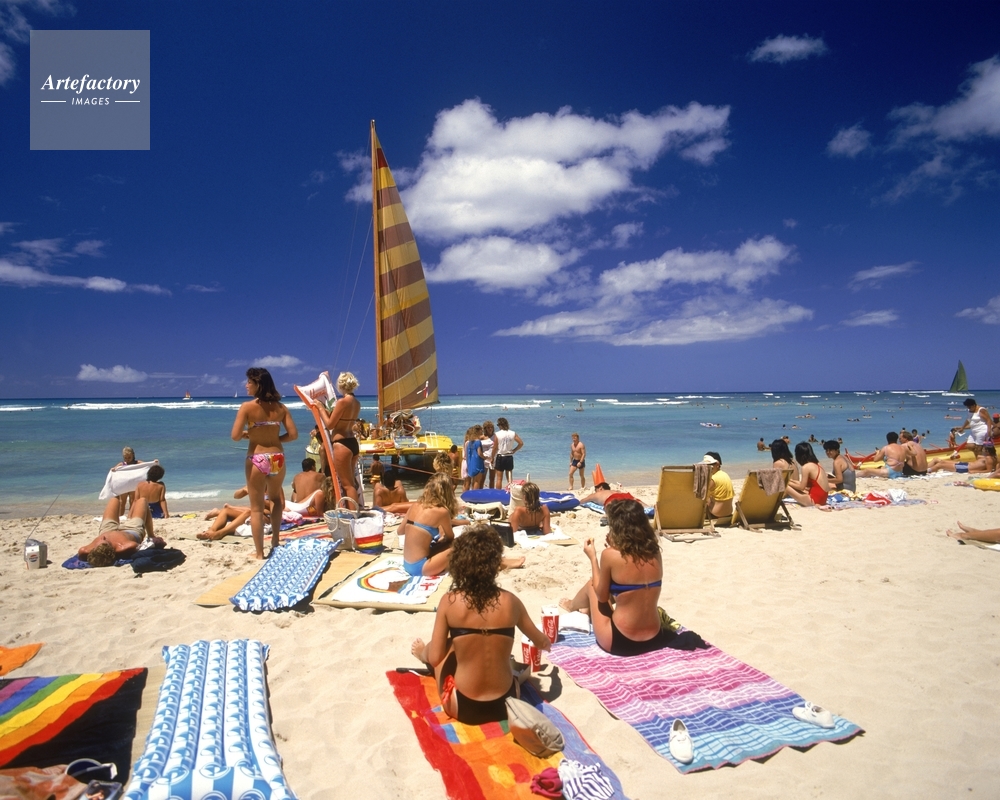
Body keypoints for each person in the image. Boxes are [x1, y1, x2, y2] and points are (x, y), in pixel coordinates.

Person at [409, 523, 550, 725]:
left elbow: (435, 657)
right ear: (496, 564)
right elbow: (541, 642)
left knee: (447, 646)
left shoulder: (450, 602)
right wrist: (551, 666)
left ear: (458, 564)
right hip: (507, 703)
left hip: (464, 706)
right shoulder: (511, 602)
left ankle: (421, 652)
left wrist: (427, 654)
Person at [560, 496, 703, 656]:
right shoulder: (655, 552)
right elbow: (632, 572)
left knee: (592, 584)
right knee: (628, 591)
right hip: (655, 638)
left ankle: (572, 605)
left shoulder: (610, 555)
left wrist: (593, 558)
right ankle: (585, 609)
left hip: (621, 642)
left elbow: (602, 596)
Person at [232, 367, 297, 559]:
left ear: (258, 384)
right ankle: (275, 540)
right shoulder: (281, 408)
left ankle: (260, 553)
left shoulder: (247, 407)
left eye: (249, 382)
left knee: (256, 508)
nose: (246, 385)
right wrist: (275, 439)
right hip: (277, 457)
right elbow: (293, 435)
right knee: (276, 499)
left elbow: (235, 436)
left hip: (257, 458)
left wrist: (250, 435)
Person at [317, 372, 362, 507]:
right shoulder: (357, 403)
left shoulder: (342, 402)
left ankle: (353, 514)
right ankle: (354, 510)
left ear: (340, 386)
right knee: (351, 482)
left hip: (342, 443)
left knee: (347, 485)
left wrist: (320, 408)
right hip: (352, 442)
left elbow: (330, 425)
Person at [401, 473, 459, 577]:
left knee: (437, 545)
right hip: (421, 568)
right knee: (457, 546)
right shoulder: (442, 511)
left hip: (407, 563)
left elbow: (400, 531)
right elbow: (450, 538)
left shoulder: (415, 505)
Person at [79, 496, 153, 566]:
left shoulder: (85, 550)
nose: (103, 537)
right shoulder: (126, 546)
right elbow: (142, 547)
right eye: (105, 540)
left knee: (114, 499)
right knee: (142, 500)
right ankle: (151, 535)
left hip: (107, 529)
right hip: (131, 530)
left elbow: (82, 552)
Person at [785, 442, 830, 507]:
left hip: (814, 501)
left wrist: (786, 482)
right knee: (789, 483)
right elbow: (804, 485)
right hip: (823, 500)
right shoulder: (818, 464)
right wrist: (791, 481)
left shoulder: (806, 467)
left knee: (784, 486)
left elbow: (801, 487)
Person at [494, 417, 523, 488]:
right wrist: (514, 450)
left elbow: (495, 447)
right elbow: (521, 443)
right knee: (509, 478)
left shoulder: (497, 434)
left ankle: (498, 493)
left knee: (499, 479)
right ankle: (510, 491)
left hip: (500, 456)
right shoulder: (512, 433)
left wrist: (492, 457)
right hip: (509, 456)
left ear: (500, 425)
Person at [702, 452, 733, 520]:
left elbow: (703, 497)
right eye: (705, 465)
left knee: (703, 498)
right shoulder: (725, 474)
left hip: (716, 513)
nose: (707, 467)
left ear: (717, 465)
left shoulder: (713, 479)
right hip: (728, 512)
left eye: (710, 465)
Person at [113, 446, 142, 516]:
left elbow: (147, 465)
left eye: (129, 457)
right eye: (125, 458)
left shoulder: (137, 463)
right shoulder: (122, 464)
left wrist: (154, 462)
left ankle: (131, 515)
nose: (127, 459)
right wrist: (113, 469)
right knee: (122, 502)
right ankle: (120, 516)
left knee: (133, 501)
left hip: (133, 485)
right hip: (124, 485)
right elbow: (114, 469)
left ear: (133, 455)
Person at [928, 445, 997, 474]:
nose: (982, 451)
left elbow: (988, 470)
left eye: (983, 450)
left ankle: (927, 471)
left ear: (988, 451)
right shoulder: (988, 457)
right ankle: (924, 470)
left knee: (940, 465)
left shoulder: (989, 458)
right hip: (965, 464)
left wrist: (975, 471)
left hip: (965, 468)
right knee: (936, 459)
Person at [465, 424, 486, 490]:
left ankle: (472, 493)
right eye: (481, 430)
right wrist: (485, 457)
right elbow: (479, 453)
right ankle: (475, 494)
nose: (482, 431)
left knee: (473, 481)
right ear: (478, 431)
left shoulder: (470, 442)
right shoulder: (478, 441)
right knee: (477, 481)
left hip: (471, 463)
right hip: (478, 462)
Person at [479, 420, 498, 489]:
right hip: (484, 459)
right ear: (485, 428)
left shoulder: (495, 436)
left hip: (493, 459)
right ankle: (480, 492)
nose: (490, 429)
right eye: (488, 427)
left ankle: (491, 492)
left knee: (492, 478)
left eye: (491, 427)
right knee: (482, 478)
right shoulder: (482, 437)